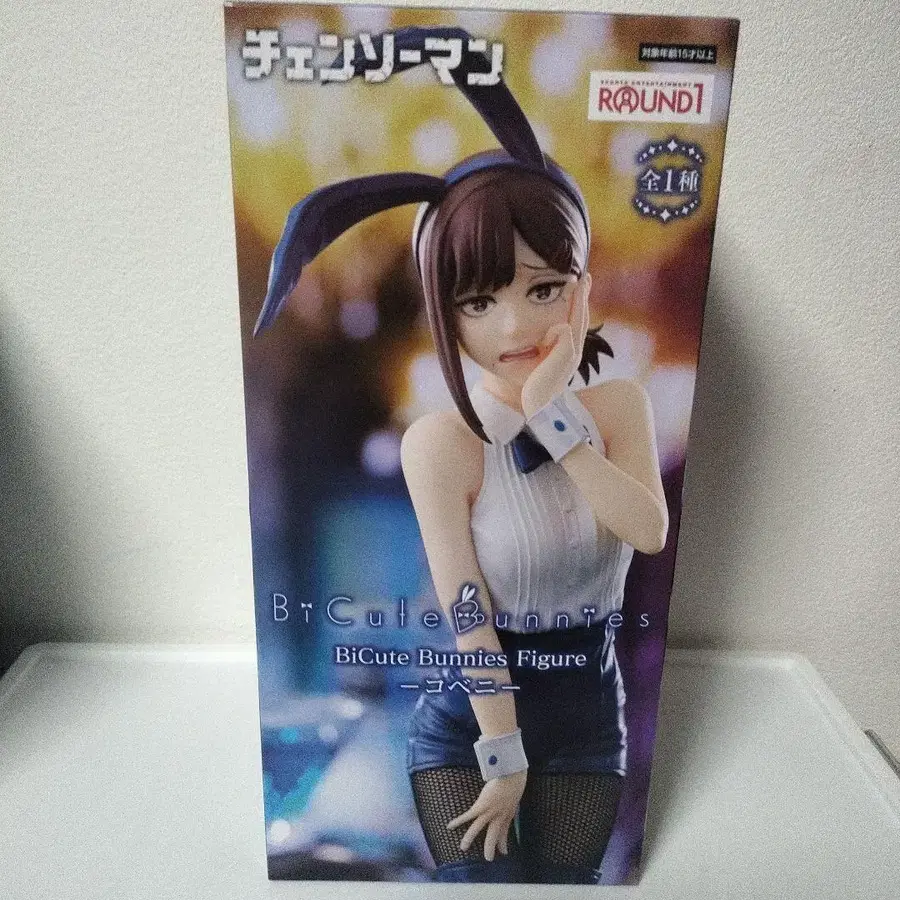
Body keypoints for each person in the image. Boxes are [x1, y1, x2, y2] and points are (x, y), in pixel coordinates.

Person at [254, 27, 668, 885]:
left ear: (582, 288)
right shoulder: (440, 442)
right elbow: (466, 609)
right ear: (445, 317)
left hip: (591, 716)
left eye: (544, 289)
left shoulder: (618, 408)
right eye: (479, 302)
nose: (515, 326)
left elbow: (647, 530)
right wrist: (502, 752)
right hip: (471, 724)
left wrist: (553, 418)